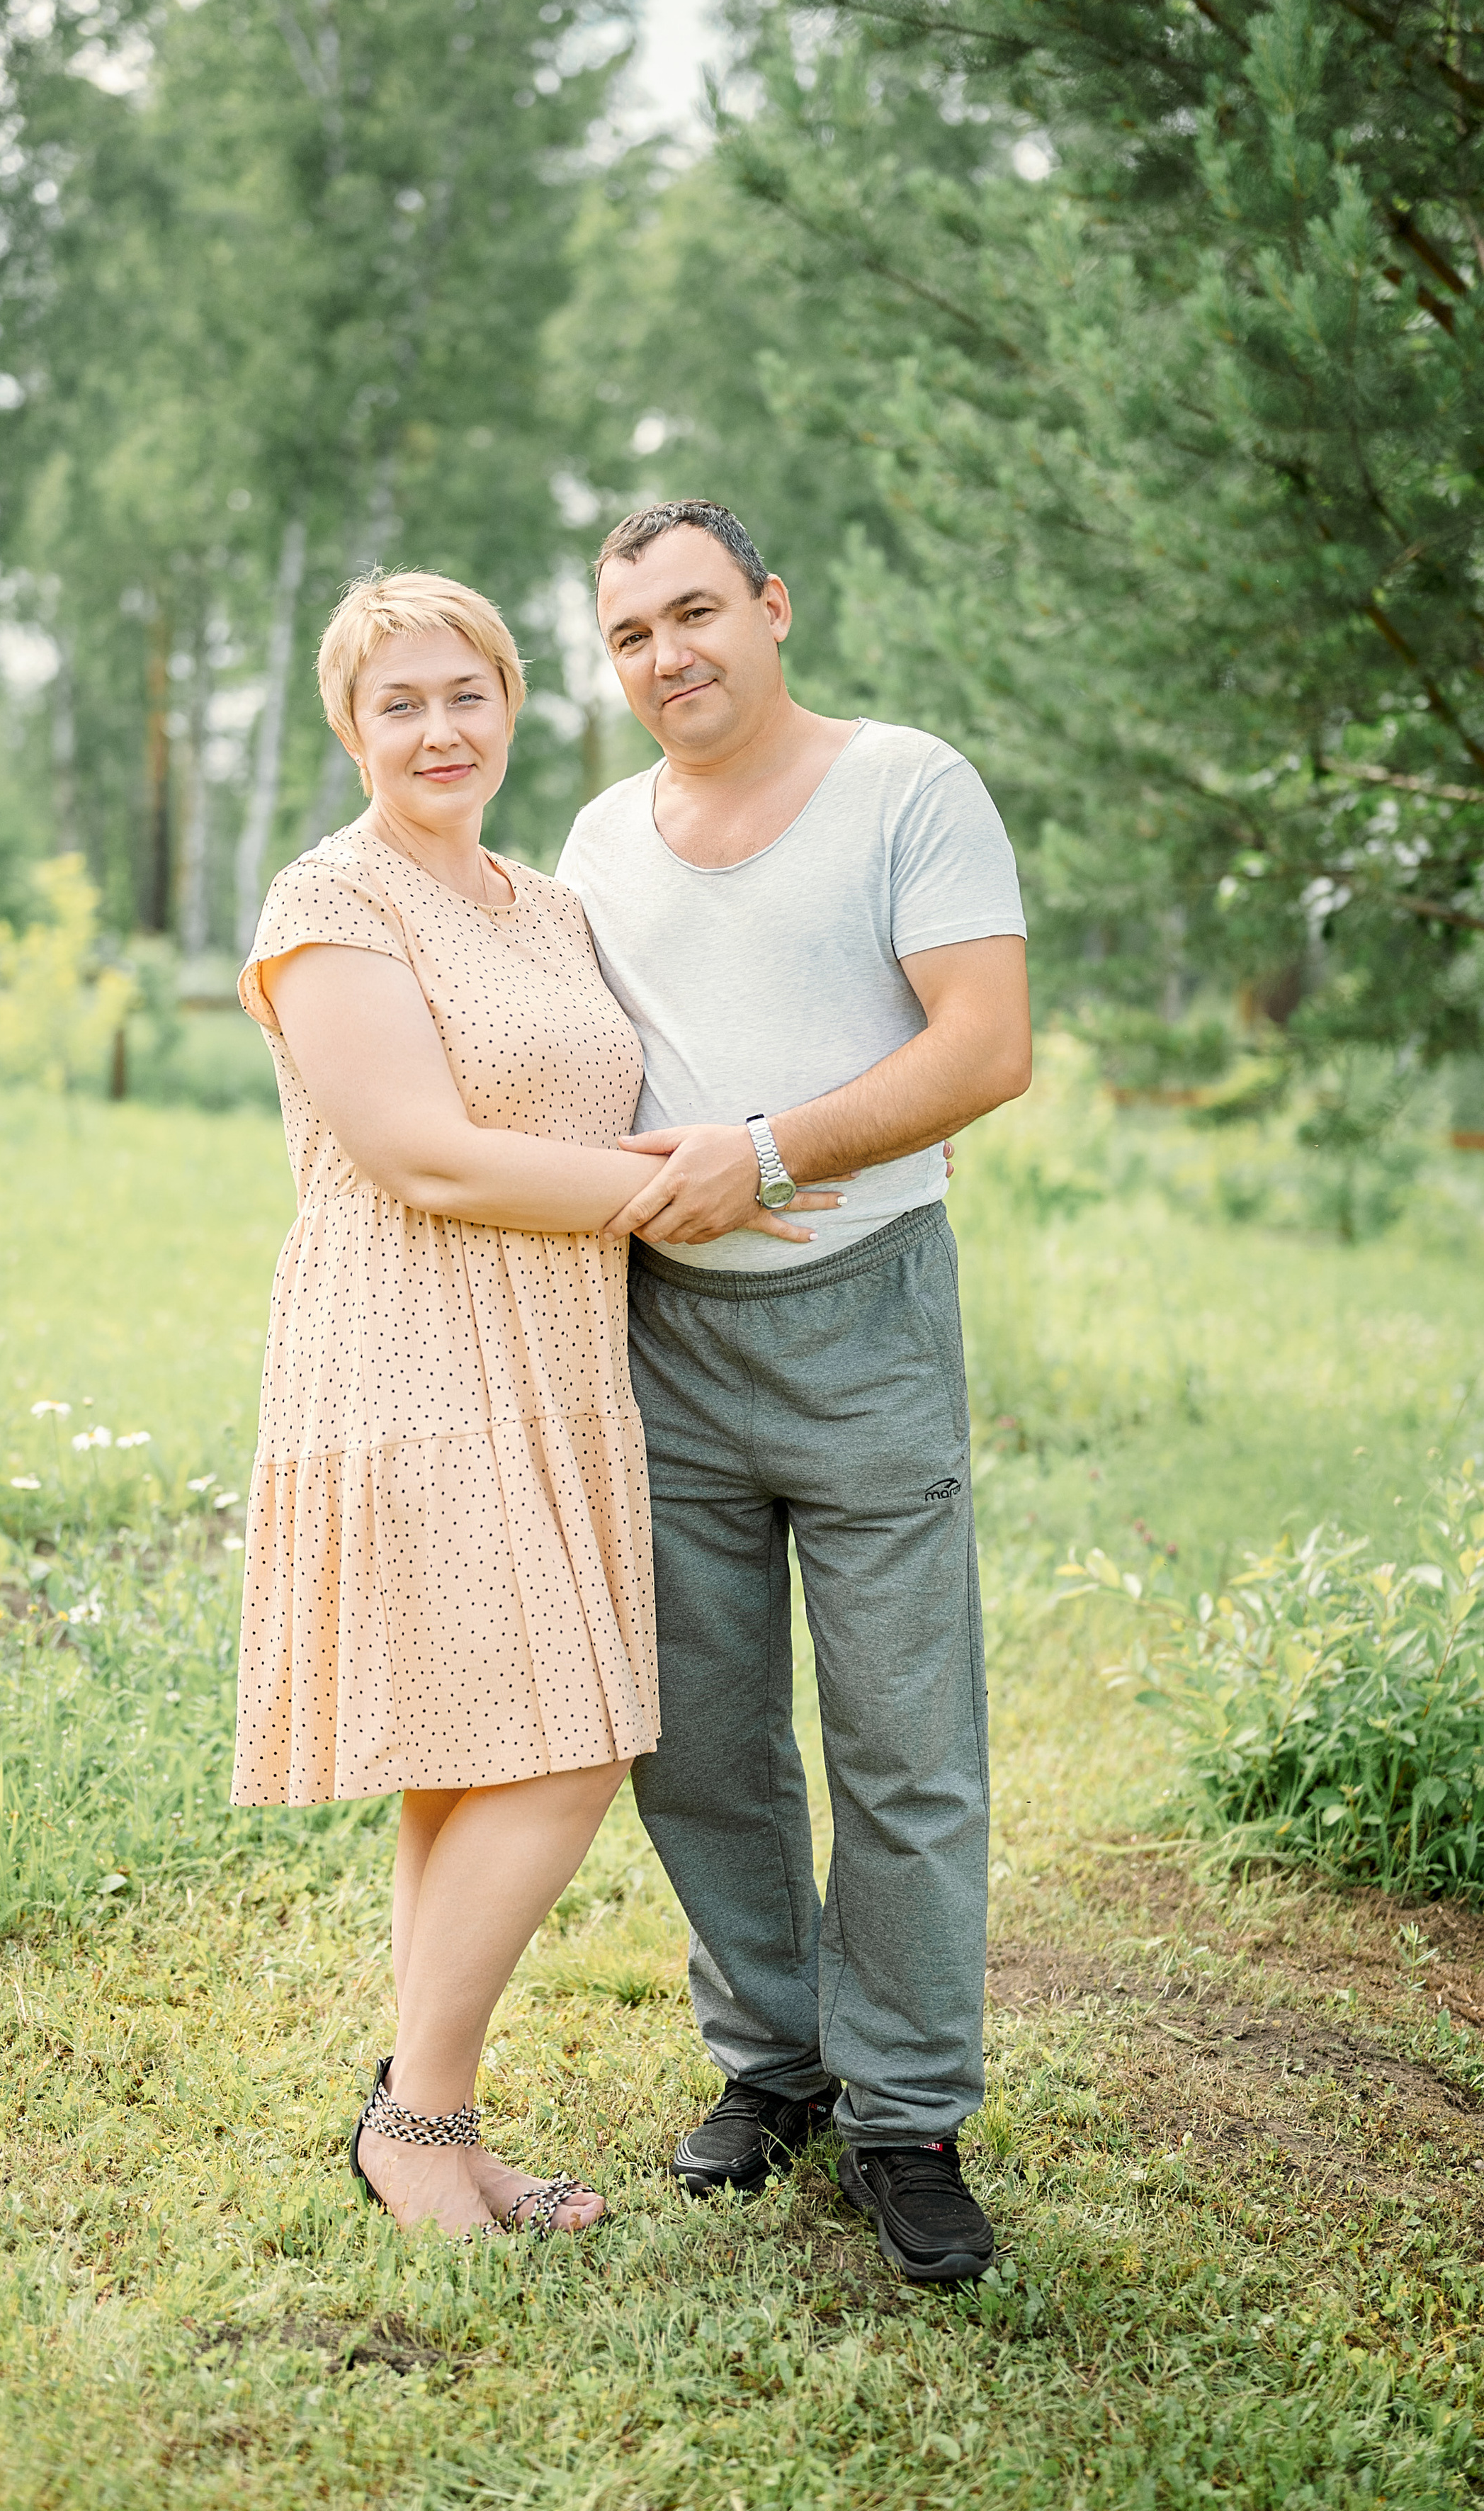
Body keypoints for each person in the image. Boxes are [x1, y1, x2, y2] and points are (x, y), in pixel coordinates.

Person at [231, 569, 842, 2241]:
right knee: (562, 1741)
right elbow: (423, 1157)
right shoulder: (328, 898)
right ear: (350, 727)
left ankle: (427, 2123)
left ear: (510, 704)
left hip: (558, 1353)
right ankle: (417, 2126)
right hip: (412, 1347)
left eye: (467, 694)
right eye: (399, 704)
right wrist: (691, 1189)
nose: (439, 731)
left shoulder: (544, 904)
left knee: (466, 1748)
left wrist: (767, 1142)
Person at [556, 500, 1031, 2286]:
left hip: (865, 1326)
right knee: (698, 1740)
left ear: (769, 604)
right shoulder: (600, 838)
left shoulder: (907, 786)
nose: (665, 655)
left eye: (694, 612)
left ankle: (904, 2113)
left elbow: (985, 1044)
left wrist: (768, 1150)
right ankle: (773, 2063)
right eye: (628, 635)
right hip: (661, 1338)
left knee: (904, 1744)